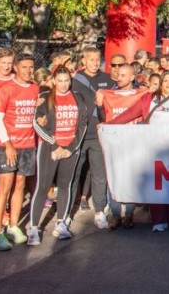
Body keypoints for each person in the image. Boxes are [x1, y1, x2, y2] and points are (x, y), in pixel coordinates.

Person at [110, 71, 169, 232]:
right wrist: (109, 124)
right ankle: (159, 220)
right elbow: (131, 113)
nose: (168, 84)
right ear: (160, 83)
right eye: (165, 81)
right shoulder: (150, 98)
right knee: (157, 184)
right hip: (153, 148)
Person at [28, 66, 91, 244]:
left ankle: (62, 222)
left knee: (65, 185)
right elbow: (37, 124)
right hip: (50, 148)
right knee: (43, 186)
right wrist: (54, 145)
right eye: (60, 81)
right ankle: (33, 227)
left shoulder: (77, 97)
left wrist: (71, 148)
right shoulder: (45, 98)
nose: (64, 85)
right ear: (54, 81)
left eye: (67, 81)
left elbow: (83, 124)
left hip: (70, 148)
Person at [0, 53, 39, 250]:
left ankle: (13, 227)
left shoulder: (35, 88)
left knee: (20, 185)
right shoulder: (6, 89)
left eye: (31, 67)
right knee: (5, 186)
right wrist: (8, 144)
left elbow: (37, 114)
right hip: (7, 145)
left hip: (28, 144)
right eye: (25, 67)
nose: (29, 71)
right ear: (16, 68)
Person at [96, 62, 146, 230]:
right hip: (114, 143)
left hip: (133, 142)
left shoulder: (142, 94)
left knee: (131, 179)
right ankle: (116, 215)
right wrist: (98, 104)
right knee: (114, 178)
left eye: (124, 75)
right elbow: (102, 117)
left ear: (133, 77)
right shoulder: (108, 94)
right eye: (118, 74)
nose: (119, 77)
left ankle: (129, 214)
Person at [71, 47, 116, 229]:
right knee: (74, 174)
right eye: (91, 59)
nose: (95, 63)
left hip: (99, 134)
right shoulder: (75, 81)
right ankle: (67, 212)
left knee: (100, 174)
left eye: (98, 59)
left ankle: (99, 211)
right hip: (79, 134)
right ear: (84, 61)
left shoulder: (107, 80)